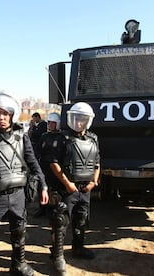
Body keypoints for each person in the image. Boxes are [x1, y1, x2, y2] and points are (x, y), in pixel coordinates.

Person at [0, 92, 49, 275]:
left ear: (12, 115)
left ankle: (18, 265)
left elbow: (32, 162)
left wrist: (43, 184)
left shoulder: (21, 136)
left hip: (17, 196)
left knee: (19, 233)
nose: (1, 117)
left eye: (5, 113)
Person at [45, 102, 100, 273]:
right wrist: (67, 184)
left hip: (86, 188)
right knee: (61, 222)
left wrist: (94, 182)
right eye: (77, 118)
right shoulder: (61, 138)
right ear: (70, 118)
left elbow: (97, 162)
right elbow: (53, 163)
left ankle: (78, 247)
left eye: (83, 119)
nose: (79, 122)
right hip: (67, 189)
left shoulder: (93, 138)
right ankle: (57, 255)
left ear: (88, 121)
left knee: (81, 219)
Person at [33, 112, 62, 218]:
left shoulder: (61, 137)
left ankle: (54, 209)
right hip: (44, 166)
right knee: (43, 187)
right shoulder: (44, 136)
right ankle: (42, 208)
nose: (50, 125)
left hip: (57, 168)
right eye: (49, 122)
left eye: (53, 123)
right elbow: (37, 151)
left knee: (56, 189)